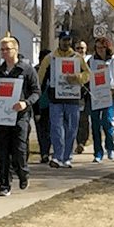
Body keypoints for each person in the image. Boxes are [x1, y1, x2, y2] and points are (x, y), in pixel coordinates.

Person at [0, 36, 40, 196]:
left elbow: (36, 92)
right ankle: (4, 183)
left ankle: (23, 172)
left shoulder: (26, 69)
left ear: (15, 50)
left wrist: (25, 103)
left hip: (20, 116)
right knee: (2, 151)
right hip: (2, 118)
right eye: (2, 49)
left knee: (19, 150)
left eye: (7, 49)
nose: (4, 52)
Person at [37, 30, 91, 168]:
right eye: (64, 40)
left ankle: (67, 157)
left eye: (69, 40)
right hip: (55, 98)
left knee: (72, 128)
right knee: (56, 128)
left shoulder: (77, 57)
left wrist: (77, 78)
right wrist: (38, 95)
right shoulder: (50, 58)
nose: (66, 43)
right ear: (59, 41)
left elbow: (87, 74)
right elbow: (40, 78)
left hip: (73, 98)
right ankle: (57, 156)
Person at [88, 36, 114, 162]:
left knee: (107, 122)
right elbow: (87, 76)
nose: (99, 50)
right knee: (95, 125)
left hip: (109, 96)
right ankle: (97, 153)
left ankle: (110, 147)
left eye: (102, 48)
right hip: (95, 96)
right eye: (97, 48)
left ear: (107, 48)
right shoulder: (91, 61)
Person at [32, 48, 52, 163]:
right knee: (41, 131)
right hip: (39, 106)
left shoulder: (53, 71)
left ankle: (47, 152)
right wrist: (36, 112)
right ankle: (43, 153)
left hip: (52, 106)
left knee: (49, 130)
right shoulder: (35, 72)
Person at [73, 40, 91, 155]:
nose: (80, 50)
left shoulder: (90, 61)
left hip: (86, 95)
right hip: (73, 94)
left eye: (82, 48)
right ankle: (76, 142)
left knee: (84, 120)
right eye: (78, 48)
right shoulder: (72, 61)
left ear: (86, 49)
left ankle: (82, 142)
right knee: (74, 120)